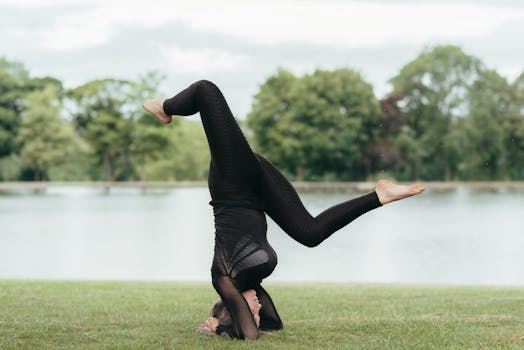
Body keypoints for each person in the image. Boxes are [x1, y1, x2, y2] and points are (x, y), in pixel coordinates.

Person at [143, 80, 424, 340]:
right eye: (256, 307)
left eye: (252, 308)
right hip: (257, 188)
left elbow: (250, 336)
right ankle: (379, 195)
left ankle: (164, 108)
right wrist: (235, 317)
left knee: (206, 91)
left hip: (232, 184)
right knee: (310, 233)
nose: (259, 305)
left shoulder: (224, 278)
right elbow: (272, 325)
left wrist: (217, 327)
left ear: (237, 310)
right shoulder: (252, 279)